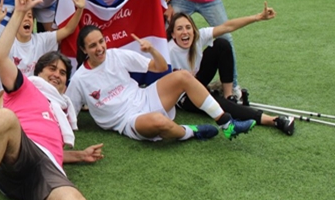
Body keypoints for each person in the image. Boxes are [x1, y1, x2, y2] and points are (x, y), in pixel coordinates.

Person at [0, 0, 104, 200]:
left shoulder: (65, 110)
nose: (57, 75)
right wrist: (20, 13)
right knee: (4, 116)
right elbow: (1, 56)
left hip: (47, 169)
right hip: (17, 153)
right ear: (38, 72)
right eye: (52, 69)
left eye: (62, 73)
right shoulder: (27, 86)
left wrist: (80, 155)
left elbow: (53, 153)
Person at [65, 26, 256, 142]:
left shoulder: (116, 54)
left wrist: (152, 50)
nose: (100, 48)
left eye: (101, 41)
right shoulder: (80, 79)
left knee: (183, 76)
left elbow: (161, 67)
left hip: (144, 96)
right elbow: (69, 115)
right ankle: (190, 132)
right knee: (158, 122)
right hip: (127, 120)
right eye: (93, 46)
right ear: (83, 49)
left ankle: (226, 123)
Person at [168, 7, 294, 135]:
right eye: (179, 29)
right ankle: (273, 120)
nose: (185, 32)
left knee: (222, 44)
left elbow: (228, 27)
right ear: (172, 34)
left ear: (193, 30)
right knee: (219, 104)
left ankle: (229, 95)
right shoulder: (168, 51)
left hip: (197, 79)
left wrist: (258, 17)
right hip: (184, 96)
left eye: (188, 27)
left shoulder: (198, 37)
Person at [0, 0, 87, 110]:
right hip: (7, 89)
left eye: (30, 16)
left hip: (34, 92)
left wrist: (80, 9)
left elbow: (68, 29)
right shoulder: (9, 42)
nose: (27, 19)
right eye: (23, 16)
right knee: (5, 103)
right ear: (16, 20)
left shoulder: (42, 40)